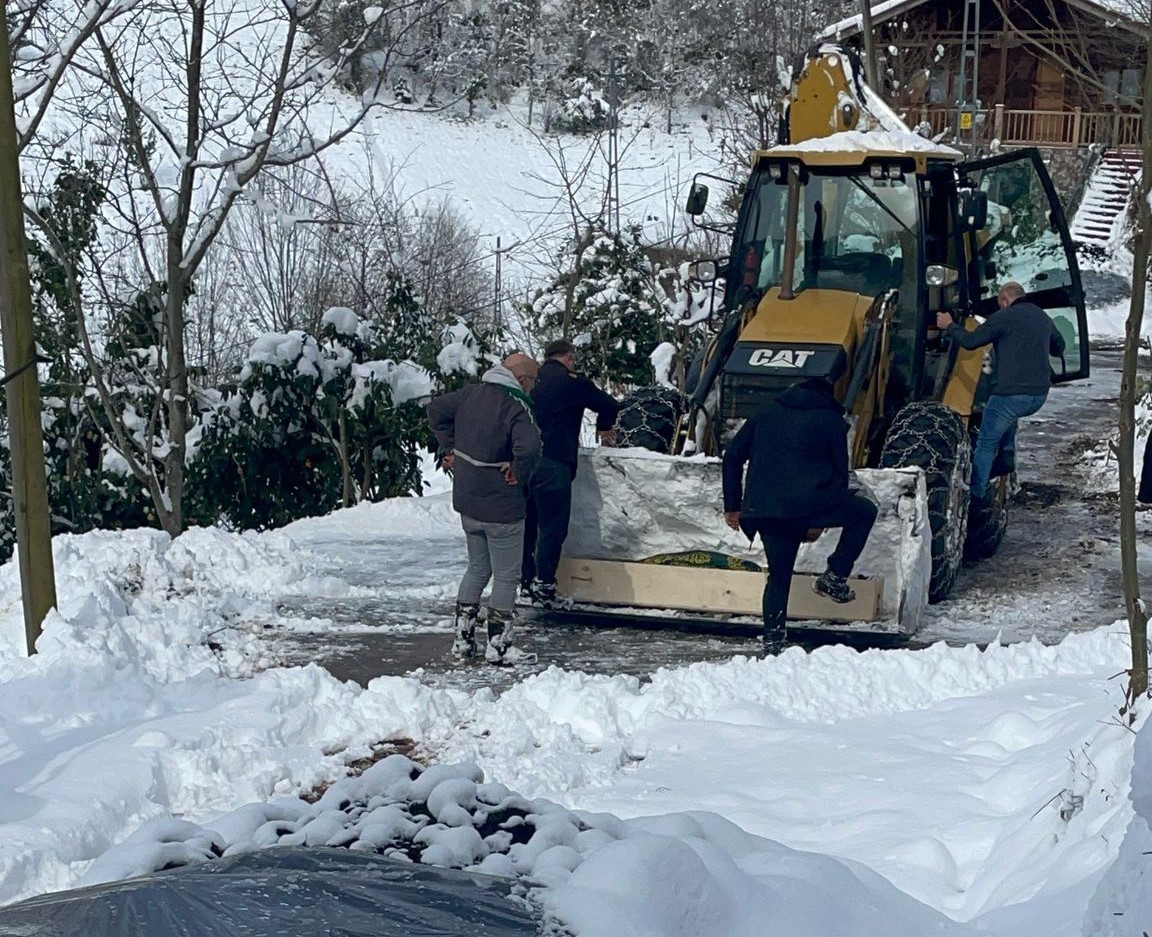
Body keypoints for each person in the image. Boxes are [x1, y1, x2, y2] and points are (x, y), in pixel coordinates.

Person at [721, 377, 878, 655]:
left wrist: (733, 505)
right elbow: (840, 475)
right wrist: (817, 520)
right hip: (809, 506)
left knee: (778, 577)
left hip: (766, 510)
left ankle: (773, 642)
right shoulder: (831, 420)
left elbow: (732, 457)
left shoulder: (765, 411)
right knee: (865, 511)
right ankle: (835, 576)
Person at [427, 353, 541, 664]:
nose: (533, 389)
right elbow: (529, 447)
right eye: (533, 382)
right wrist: (519, 471)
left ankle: (463, 641)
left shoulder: (470, 394)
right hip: (502, 505)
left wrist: (451, 446)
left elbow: (435, 409)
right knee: (506, 575)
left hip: (468, 501)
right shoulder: (516, 406)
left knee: (477, 568)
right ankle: (499, 646)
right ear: (522, 381)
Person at [936, 281, 1065, 502]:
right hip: (1039, 395)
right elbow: (1059, 346)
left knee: (986, 442)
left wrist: (949, 325)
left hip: (1011, 395)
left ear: (1005, 300)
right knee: (1007, 416)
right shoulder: (1042, 316)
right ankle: (1006, 456)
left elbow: (970, 341)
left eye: (1000, 303)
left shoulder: (1003, 317)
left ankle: (976, 493)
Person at [521, 339, 620, 607]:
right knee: (552, 527)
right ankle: (544, 584)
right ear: (568, 358)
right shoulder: (573, 383)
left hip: (523, 462)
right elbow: (609, 404)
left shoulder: (529, 381)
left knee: (527, 526)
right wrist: (604, 427)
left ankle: (525, 581)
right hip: (555, 462)